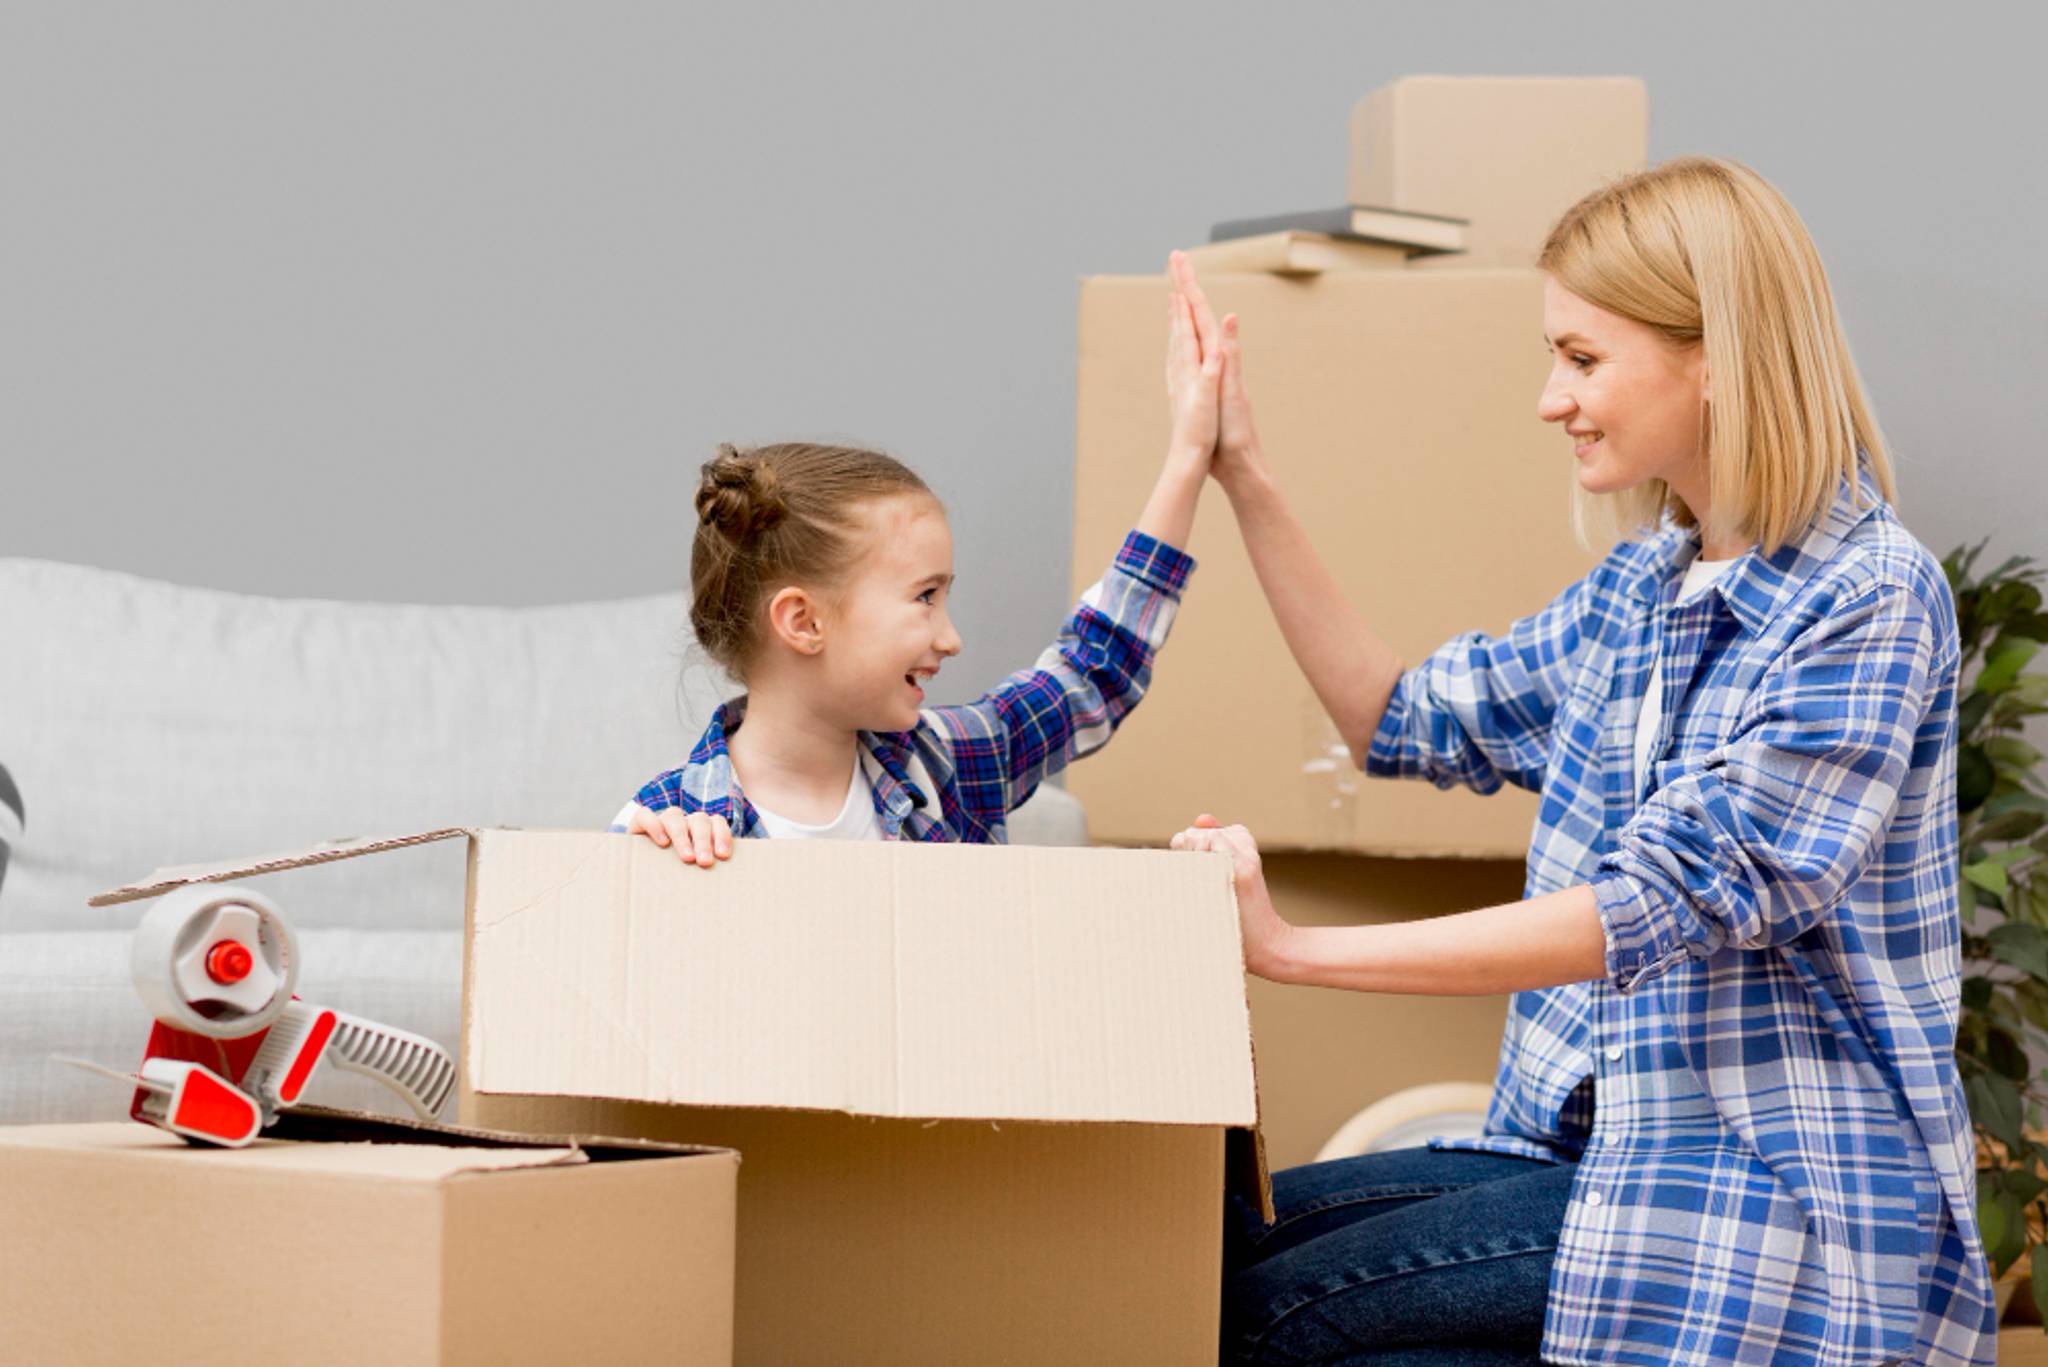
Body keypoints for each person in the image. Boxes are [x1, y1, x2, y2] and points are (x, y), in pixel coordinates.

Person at [1168, 157, 1993, 1365]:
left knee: (1263, 1316)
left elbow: (1654, 902)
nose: (1550, 398)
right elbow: (1397, 718)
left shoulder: (1865, 596)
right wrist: (1242, 469)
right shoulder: (1641, 591)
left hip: (1757, 1189)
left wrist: (1291, 950)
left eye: (1580, 357)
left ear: (1714, 353)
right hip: (1588, 1153)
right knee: (1218, 1250)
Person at [612, 281, 1220, 857]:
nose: (951, 639)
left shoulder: (947, 766)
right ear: (803, 621)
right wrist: (647, 874)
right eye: (924, 597)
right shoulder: (669, 824)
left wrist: (1189, 457)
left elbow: (1092, 671)